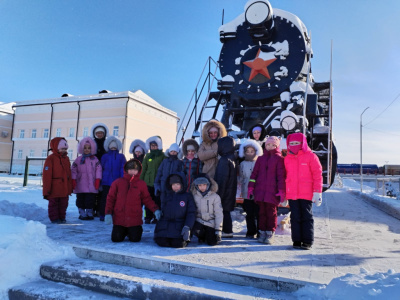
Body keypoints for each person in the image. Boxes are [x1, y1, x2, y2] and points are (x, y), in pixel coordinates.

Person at [105, 159, 162, 243]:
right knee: (116, 239)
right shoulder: (117, 183)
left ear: (138, 171)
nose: (132, 172)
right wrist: (108, 213)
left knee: (135, 239)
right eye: (130, 169)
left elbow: (147, 199)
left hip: (134, 219)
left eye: (135, 170)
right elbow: (110, 199)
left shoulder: (141, 184)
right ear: (126, 170)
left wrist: (155, 209)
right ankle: (123, 231)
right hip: (119, 219)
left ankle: (134, 230)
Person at [284, 132, 322, 250]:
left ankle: (307, 241)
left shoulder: (311, 157)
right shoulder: (287, 159)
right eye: (292, 143)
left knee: (306, 217)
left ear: (303, 143)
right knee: (295, 217)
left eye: (297, 143)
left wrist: (317, 191)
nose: (294, 145)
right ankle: (296, 240)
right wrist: (285, 193)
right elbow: (285, 176)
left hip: (306, 193)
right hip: (292, 193)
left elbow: (317, 174)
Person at [248, 136, 286, 244]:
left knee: (271, 213)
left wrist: (281, 190)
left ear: (277, 146)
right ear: (265, 145)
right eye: (268, 144)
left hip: (272, 192)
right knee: (261, 213)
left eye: (273, 145)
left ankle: (270, 233)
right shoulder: (260, 159)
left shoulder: (279, 159)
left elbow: (281, 177)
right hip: (260, 191)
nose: (270, 147)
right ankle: (262, 232)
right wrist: (251, 187)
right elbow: (254, 174)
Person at [154, 173, 196, 248]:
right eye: (173, 185)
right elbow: (163, 211)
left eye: (177, 184)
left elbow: (191, 213)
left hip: (180, 224)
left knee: (178, 244)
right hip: (166, 224)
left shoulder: (187, 196)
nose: (175, 187)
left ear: (182, 184)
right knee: (162, 242)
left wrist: (187, 226)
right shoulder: (167, 195)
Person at [42, 137, 73, 224]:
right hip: (54, 187)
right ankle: (54, 218)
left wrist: (70, 187)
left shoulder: (66, 159)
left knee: (64, 204)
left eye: (65, 149)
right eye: (62, 149)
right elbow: (47, 175)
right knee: (54, 204)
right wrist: (46, 190)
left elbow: (69, 174)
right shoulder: (51, 158)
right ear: (56, 148)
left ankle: (62, 217)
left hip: (64, 187)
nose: (64, 150)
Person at [71, 137, 102, 221]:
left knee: (90, 199)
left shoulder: (95, 159)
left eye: (89, 148)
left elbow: (98, 169)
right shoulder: (78, 160)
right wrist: (73, 179)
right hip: (81, 184)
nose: (87, 150)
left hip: (91, 184)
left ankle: (89, 212)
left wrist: (97, 179)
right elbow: (73, 170)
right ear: (81, 148)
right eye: (85, 148)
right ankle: (81, 212)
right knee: (80, 199)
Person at [238, 139, 263, 238]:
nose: (249, 153)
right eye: (247, 151)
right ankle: (250, 231)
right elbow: (241, 176)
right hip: (246, 191)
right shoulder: (242, 164)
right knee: (249, 213)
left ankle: (259, 230)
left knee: (258, 212)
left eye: (252, 151)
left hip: (257, 191)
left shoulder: (258, 162)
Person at [214, 136, 237, 238]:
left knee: (223, 211)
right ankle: (228, 230)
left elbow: (221, 178)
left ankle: (227, 230)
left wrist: (218, 194)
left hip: (224, 191)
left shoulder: (224, 160)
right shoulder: (232, 158)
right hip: (230, 190)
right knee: (226, 210)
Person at [190, 174, 223, 246]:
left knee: (212, 243)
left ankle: (207, 235)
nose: (202, 187)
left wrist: (218, 230)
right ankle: (201, 235)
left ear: (208, 185)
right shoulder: (194, 196)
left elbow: (218, 213)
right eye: (200, 185)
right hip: (199, 221)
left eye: (204, 185)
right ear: (196, 186)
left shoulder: (215, 197)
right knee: (195, 229)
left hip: (211, 223)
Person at [99, 136, 126, 221]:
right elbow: (101, 168)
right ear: (108, 146)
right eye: (112, 147)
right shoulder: (105, 156)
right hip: (106, 182)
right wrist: (100, 180)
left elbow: (123, 168)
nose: (113, 148)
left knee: (116, 199)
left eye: (115, 147)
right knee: (105, 199)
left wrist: (122, 180)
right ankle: (103, 214)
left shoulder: (121, 156)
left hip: (117, 182)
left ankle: (115, 214)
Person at [140, 136, 166, 224]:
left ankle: (156, 217)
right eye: (152, 145)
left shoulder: (162, 156)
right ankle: (147, 217)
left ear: (159, 145)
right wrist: (141, 180)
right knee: (148, 200)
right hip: (148, 182)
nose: (153, 147)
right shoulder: (147, 156)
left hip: (158, 182)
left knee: (157, 200)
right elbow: (143, 169)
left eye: (155, 145)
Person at [91, 123, 109, 217]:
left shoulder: (107, 143)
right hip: (93, 169)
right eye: (98, 133)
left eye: (101, 133)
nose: (99, 134)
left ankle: (99, 210)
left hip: (105, 170)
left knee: (102, 192)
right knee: (94, 190)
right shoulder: (92, 143)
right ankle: (93, 209)